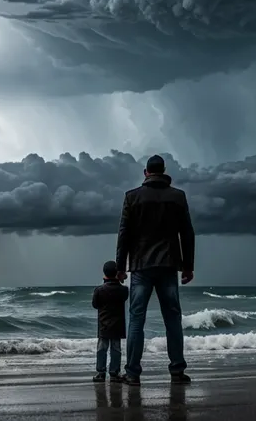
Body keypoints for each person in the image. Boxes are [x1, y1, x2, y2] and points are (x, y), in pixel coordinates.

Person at [116, 154, 195, 386]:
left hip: (141, 266)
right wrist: (188, 266)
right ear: (164, 171)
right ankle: (177, 371)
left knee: (136, 320)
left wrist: (121, 268)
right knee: (172, 319)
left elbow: (124, 234)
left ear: (146, 172)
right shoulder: (177, 196)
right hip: (169, 265)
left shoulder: (132, 197)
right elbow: (187, 233)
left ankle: (132, 373)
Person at [92, 260, 129, 383]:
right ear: (117, 274)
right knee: (116, 349)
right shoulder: (123, 290)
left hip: (104, 325)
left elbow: (95, 305)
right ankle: (114, 373)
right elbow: (124, 296)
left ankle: (101, 373)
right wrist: (121, 279)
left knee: (102, 348)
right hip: (118, 326)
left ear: (104, 273)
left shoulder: (99, 290)